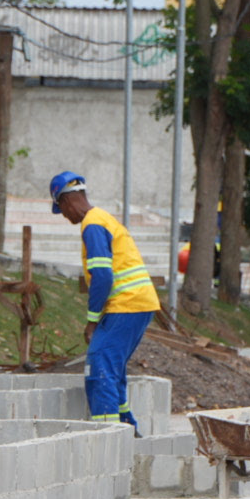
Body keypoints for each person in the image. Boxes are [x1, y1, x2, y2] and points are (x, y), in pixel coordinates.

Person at [50, 170, 159, 432]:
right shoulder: (103, 219)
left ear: (66, 201)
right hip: (137, 304)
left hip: (127, 304)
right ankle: (128, 430)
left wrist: (91, 322)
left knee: (99, 368)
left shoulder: (93, 224)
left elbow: (102, 276)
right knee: (112, 370)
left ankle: (108, 439)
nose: (65, 217)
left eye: (61, 210)